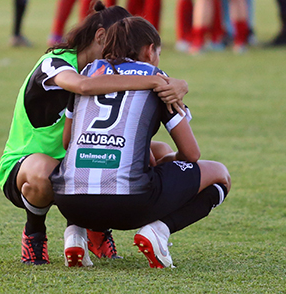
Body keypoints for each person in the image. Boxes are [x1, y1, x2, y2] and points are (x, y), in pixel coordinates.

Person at [0, 2, 189, 265]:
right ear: (100, 37)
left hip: (79, 162)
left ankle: (97, 228)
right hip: (26, 166)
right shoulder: (54, 63)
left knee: (161, 152)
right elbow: (83, 86)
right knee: (44, 171)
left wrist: (178, 84)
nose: (122, 53)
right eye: (115, 42)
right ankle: (34, 233)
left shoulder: (109, 71)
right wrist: (156, 79)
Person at [52, 17, 231, 269]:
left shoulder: (87, 74)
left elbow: (67, 141)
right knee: (220, 174)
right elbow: (191, 153)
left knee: (88, 163)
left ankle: (75, 234)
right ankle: (158, 232)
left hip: (69, 201)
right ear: (149, 50)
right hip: (128, 204)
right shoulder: (156, 78)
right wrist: (166, 164)